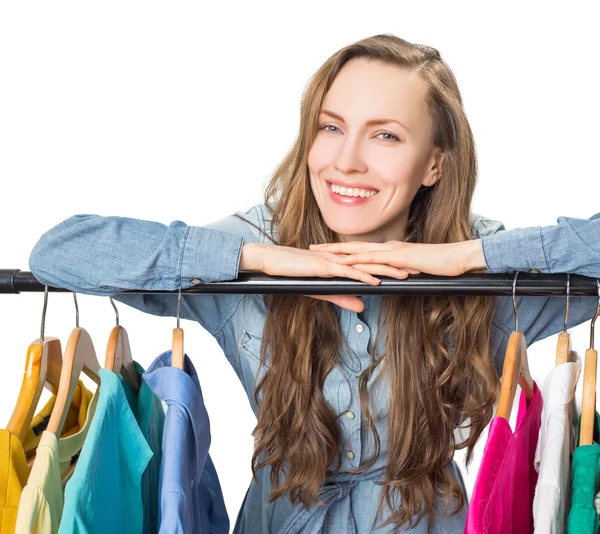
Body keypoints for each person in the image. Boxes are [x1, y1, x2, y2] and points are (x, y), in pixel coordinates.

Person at [28, 33, 600, 533]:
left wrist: (464, 257)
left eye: (386, 136)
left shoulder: (484, 264)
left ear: (435, 165)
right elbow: (60, 252)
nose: (346, 161)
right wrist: (264, 260)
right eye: (331, 127)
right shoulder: (257, 241)